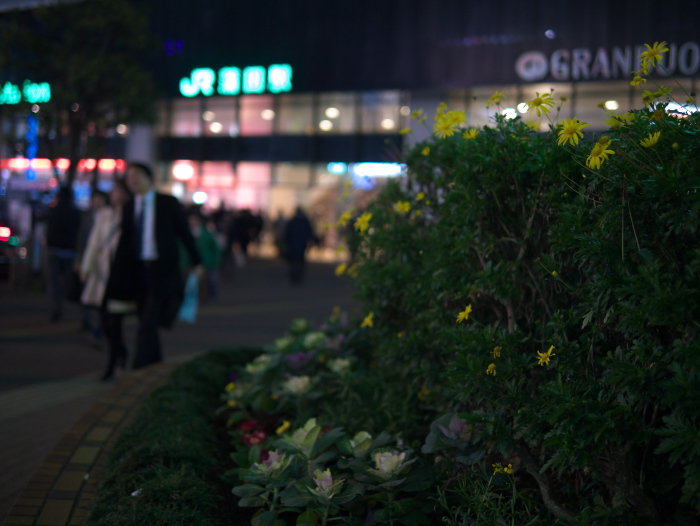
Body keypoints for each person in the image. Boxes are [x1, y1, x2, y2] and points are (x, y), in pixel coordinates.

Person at [105, 163, 203, 370]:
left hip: (162, 269)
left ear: (149, 178)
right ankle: (155, 361)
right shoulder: (130, 206)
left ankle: (138, 366)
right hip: (137, 270)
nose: (133, 181)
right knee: (144, 317)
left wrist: (197, 262)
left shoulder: (167, 203)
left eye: (137, 176)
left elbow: (184, 234)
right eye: (129, 178)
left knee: (149, 319)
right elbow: (125, 241)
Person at [79, 180, 132, 380]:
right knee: (105, 322)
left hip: (120, 277)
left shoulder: (132, 215)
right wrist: (87, 266)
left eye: (118, 190)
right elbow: (94, 242)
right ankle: (120, 353)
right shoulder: (105, 214)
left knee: (114, 321)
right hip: (102, 274)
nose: (114, 194)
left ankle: (112, 362)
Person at [42, 186, 81, 323]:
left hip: (54, 249)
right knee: (66, 280)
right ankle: (63, 303)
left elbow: (40, 218)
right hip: (69, 250)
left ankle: (56, 308)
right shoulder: (75, 212)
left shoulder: (53, 210)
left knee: (53, 282)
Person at [76, 190, 108, 341]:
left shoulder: (110, 215)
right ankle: (87, 322)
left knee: (100, 295)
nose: (95, 202)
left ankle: (99, 327)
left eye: (98, 199)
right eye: (94, 199)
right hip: (90, 259)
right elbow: (82, 239)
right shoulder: (88, 216)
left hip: (104, 262)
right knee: (87, 293)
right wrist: (80, 260)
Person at [179, 211, 221, 301]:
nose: (192, 222)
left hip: (205, 261)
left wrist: (214, 260)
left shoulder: (206, 233)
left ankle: (207, 297)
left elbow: (214, 248)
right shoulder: (186, 232)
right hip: (189, 262)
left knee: (207, 281)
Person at [283, 206, 319, 285]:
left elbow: (286, 233)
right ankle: (298, 276)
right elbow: (310, 232)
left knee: (293, 260)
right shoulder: (305, 221)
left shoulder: (292, 221)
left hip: (293, 244)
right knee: (300, 260)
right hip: (302, 244)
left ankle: (293, 276)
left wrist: (286, 242)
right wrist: (313, 241)